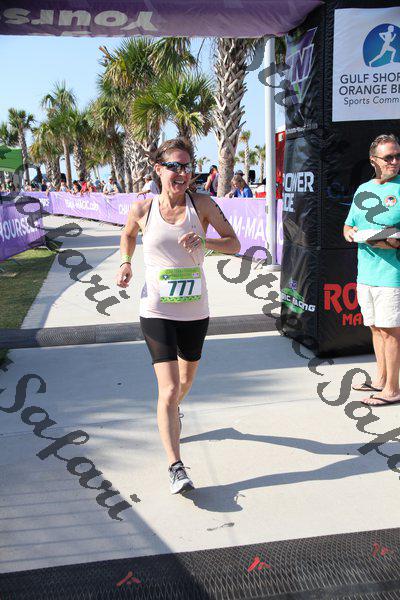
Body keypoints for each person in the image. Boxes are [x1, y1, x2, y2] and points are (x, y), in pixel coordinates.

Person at [116, 137, 240, 494]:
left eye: (188, 167)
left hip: (195, 310)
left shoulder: (202, 205)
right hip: (155, 309)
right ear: (159, 169)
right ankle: (176, 466)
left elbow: (234, 243)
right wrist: (126, 262)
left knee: (184, 383)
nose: (183, 173)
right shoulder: (143, 208)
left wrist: (205, 242)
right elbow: (127, 235)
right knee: (168, 388)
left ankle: (171, 411)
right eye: (175, 166)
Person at [344, 133, 400, 406]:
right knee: (376, 329)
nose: (394, 161)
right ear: (373, 160)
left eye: (398, 156)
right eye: (388, 157)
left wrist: (384, 239)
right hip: (366, 273)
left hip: (392, 275)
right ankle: (380, 380)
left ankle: (392, 390)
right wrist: (351, 233)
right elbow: (348, 225)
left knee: (391, 332)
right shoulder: (363, 189)